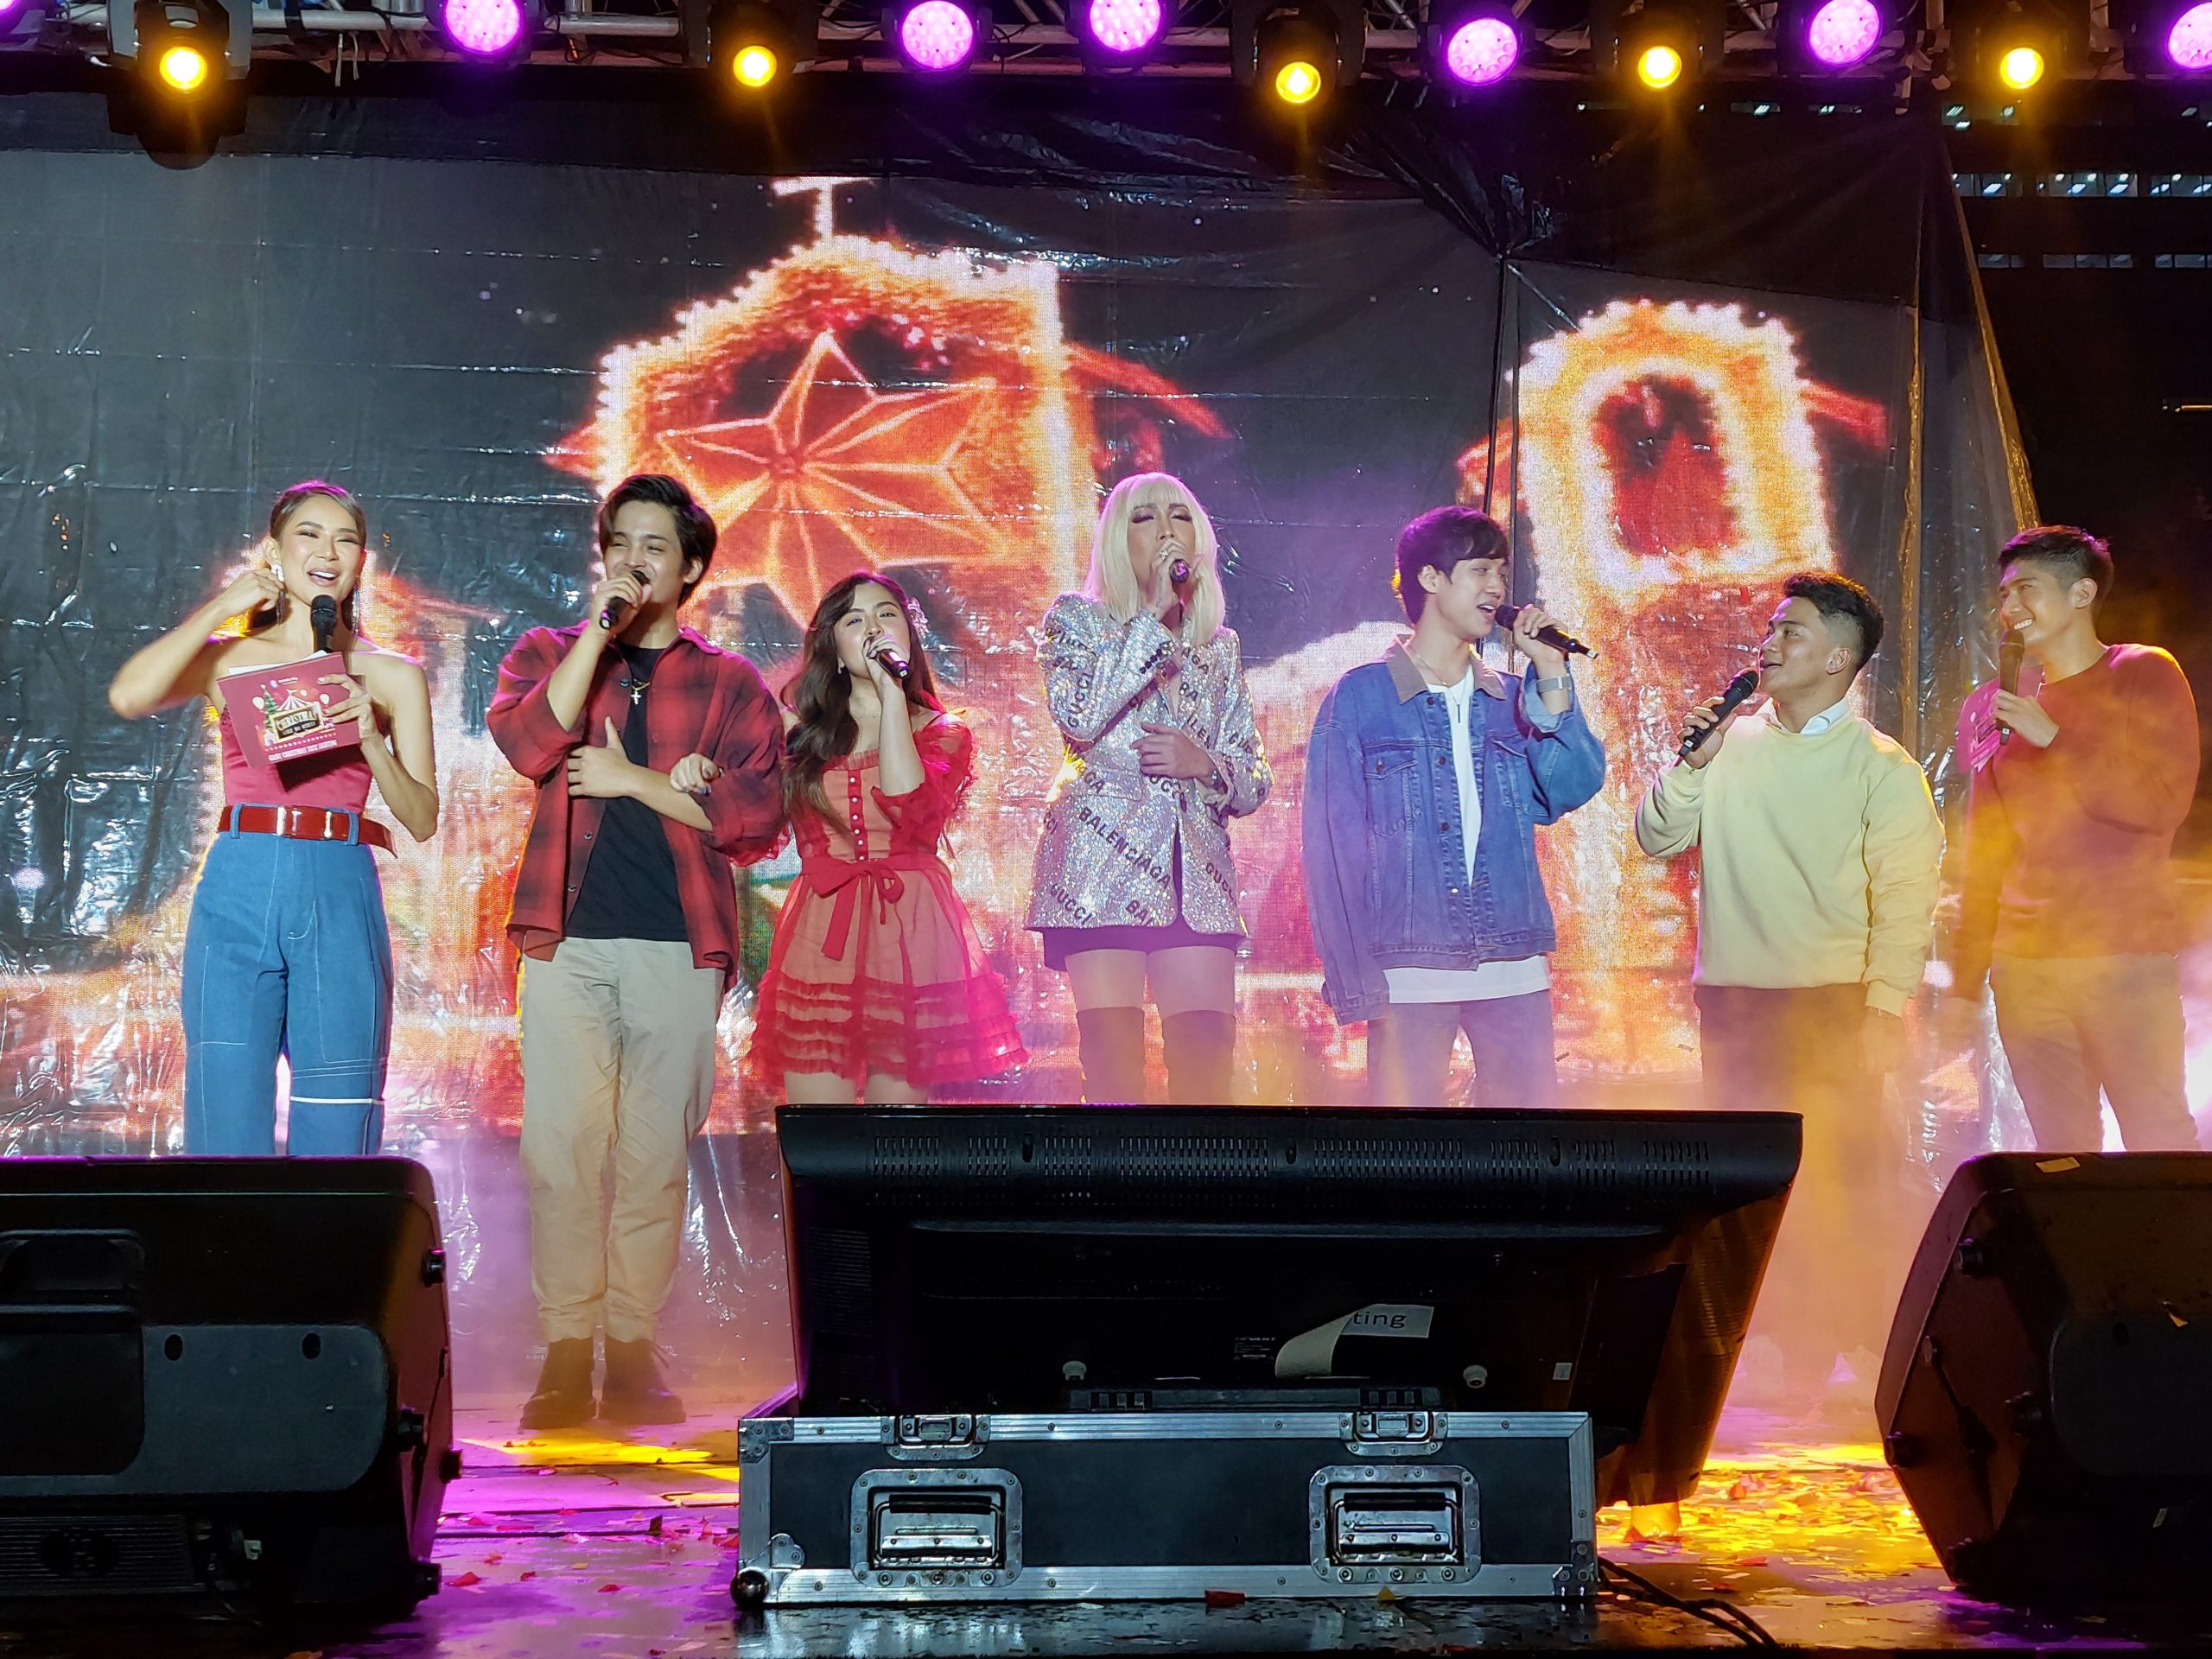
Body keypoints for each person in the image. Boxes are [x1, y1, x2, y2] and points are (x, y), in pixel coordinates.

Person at [488, 474, 784, 1431]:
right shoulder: (547, 653)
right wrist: (593, 638)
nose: (632, 560)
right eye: (620, 542)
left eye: (654, 546)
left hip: (676, 946)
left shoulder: (729, 683)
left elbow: (755, 816)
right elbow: (532, 745)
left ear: (691, 566)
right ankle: (567, 1349)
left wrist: (635, 781)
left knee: (655, 1155)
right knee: (562, 1149)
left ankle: (632, 1346)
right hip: (564, 943)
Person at [1635, 572, 1943, 1403]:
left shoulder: (1881, 767)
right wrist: (1691, 765)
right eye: (1771, 629)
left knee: (1837, 1180)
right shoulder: (1728, 742)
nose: (1768, 645)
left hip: (1833, 1004)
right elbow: (1657, 838)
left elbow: (1906, 899)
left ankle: (1832, 1343)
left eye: (1792, 632)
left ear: (1841, 658)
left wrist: (1884, 1008)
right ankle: (1756, 1341)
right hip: (1735, 1000)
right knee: (1742, 1186)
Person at [108, 481, 439, 1154]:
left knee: (339, 1118)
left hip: (339, 883)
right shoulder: (231, 657)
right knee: (225, 1110)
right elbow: (128, 695)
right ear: (276, 551)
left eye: (346, 539)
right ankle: (227, 1258)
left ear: (361, 562)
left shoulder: (390, 674)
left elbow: (423, 816)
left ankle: (334, 1259)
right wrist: (222, 609)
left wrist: (369, 737)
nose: (328, 551)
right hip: (241, 881)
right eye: (309, 535)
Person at [1302, 506, 1605, 1108]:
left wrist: (1551, 675)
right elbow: (1330, 850)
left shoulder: (1514, 699)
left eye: (1501, 571)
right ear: (1430, 580)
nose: (1496, 587)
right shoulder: (1361, 698)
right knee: (1404, 1166)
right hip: (1409, 971)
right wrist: (1356, 981)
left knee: (1524, 1162)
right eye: (1479, 570)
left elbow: (1570, 786)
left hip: (1514, 965)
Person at [1944, 526, 2202, 1152]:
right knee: (2061, 1152)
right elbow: (1987, 847)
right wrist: (1964, 978)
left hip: (2123, 956)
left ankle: (2176, 1253)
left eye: (2026, 590)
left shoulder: (2143, 671)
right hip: (2025, 966)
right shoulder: (1992, 705)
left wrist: (2056, 739)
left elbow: (2160, 804)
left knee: (2157, 1134)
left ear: (2082, 592)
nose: (2009, 611)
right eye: (2003, 596)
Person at [735, 570, 1026, 1102]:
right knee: (824, 1140)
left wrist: (893, 695)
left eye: (886, 614)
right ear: (834, 645)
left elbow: (908, 803)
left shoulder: (942, 733)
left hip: (909, 934)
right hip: (823, 930)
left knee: (898, 1148)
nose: (872, 628)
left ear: (909, 636)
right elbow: (749, 831)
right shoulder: (802, 742)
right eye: (854, 619)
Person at [1027, 473, 1270, 1104]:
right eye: (1144, 518)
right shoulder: (1075, 621)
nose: (1166, 529)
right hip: (1099, 875)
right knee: (1114, 1080)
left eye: (1179, 516)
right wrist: (1155, 618)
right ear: (1115, 540)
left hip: (1198, 881)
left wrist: (1206, 764)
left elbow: (1254, 775)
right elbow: (1079, 716)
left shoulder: (1219, 648)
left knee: (1205, 1074)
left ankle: (1200, 1205)